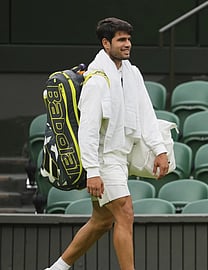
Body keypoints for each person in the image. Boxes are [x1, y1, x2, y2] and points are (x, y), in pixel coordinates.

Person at [44, 17, 170, 270]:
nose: (127, 44)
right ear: (106, 43)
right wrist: (92, 171)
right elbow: (88, 131)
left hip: (120, 157)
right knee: (125, 213)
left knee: (101, 221)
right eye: (121, 40)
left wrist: (160, 149)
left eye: (128, 39)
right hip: (104, 159)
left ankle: (56, 269)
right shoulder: (97, 81)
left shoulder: (132, 73)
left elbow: (146, 111)